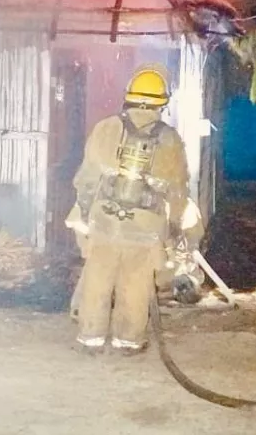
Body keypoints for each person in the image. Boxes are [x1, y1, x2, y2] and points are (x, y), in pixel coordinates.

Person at [69, 65, 190, 355]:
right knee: (136, 284)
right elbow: (178, 190)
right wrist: (173, 228)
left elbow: (86, 178)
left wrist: (86, 214)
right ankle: (129, 341)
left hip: (105, 221)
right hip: (145, 228)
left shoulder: (106, 128)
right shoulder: (170, 139)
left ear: (129, 96)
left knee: (97, 279)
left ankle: (91, 339)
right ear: (162, 103)